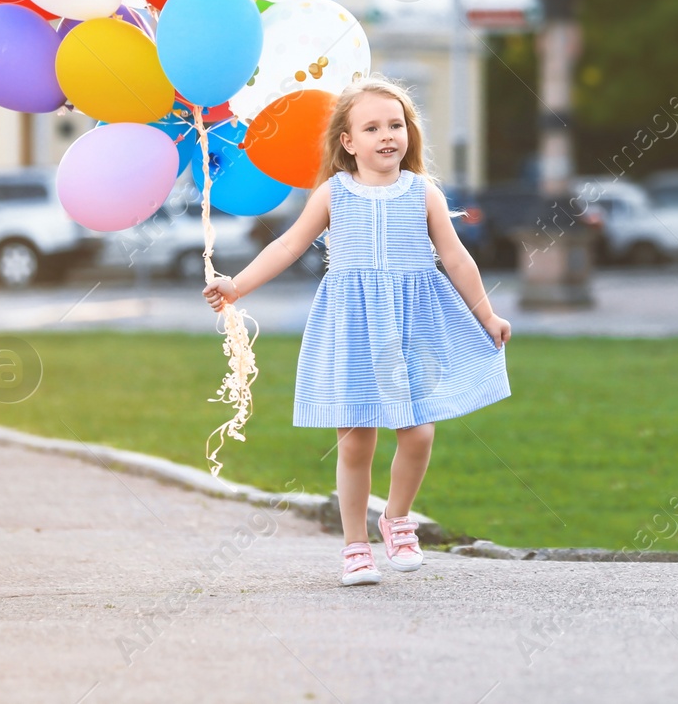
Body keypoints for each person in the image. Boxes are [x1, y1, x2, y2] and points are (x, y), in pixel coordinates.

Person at [203, 77, 512, 586]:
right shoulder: (334, 194)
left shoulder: (424, 193)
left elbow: (457, 259)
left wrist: (487, 314)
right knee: (354, 442)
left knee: (418, 432)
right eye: (372, 127)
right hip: (353, 329)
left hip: (412, 329)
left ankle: (396, 518)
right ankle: (355, 547)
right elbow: (287, 247)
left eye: (395, 125)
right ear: (348, 141)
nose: (386, 135)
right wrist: (237, 286)